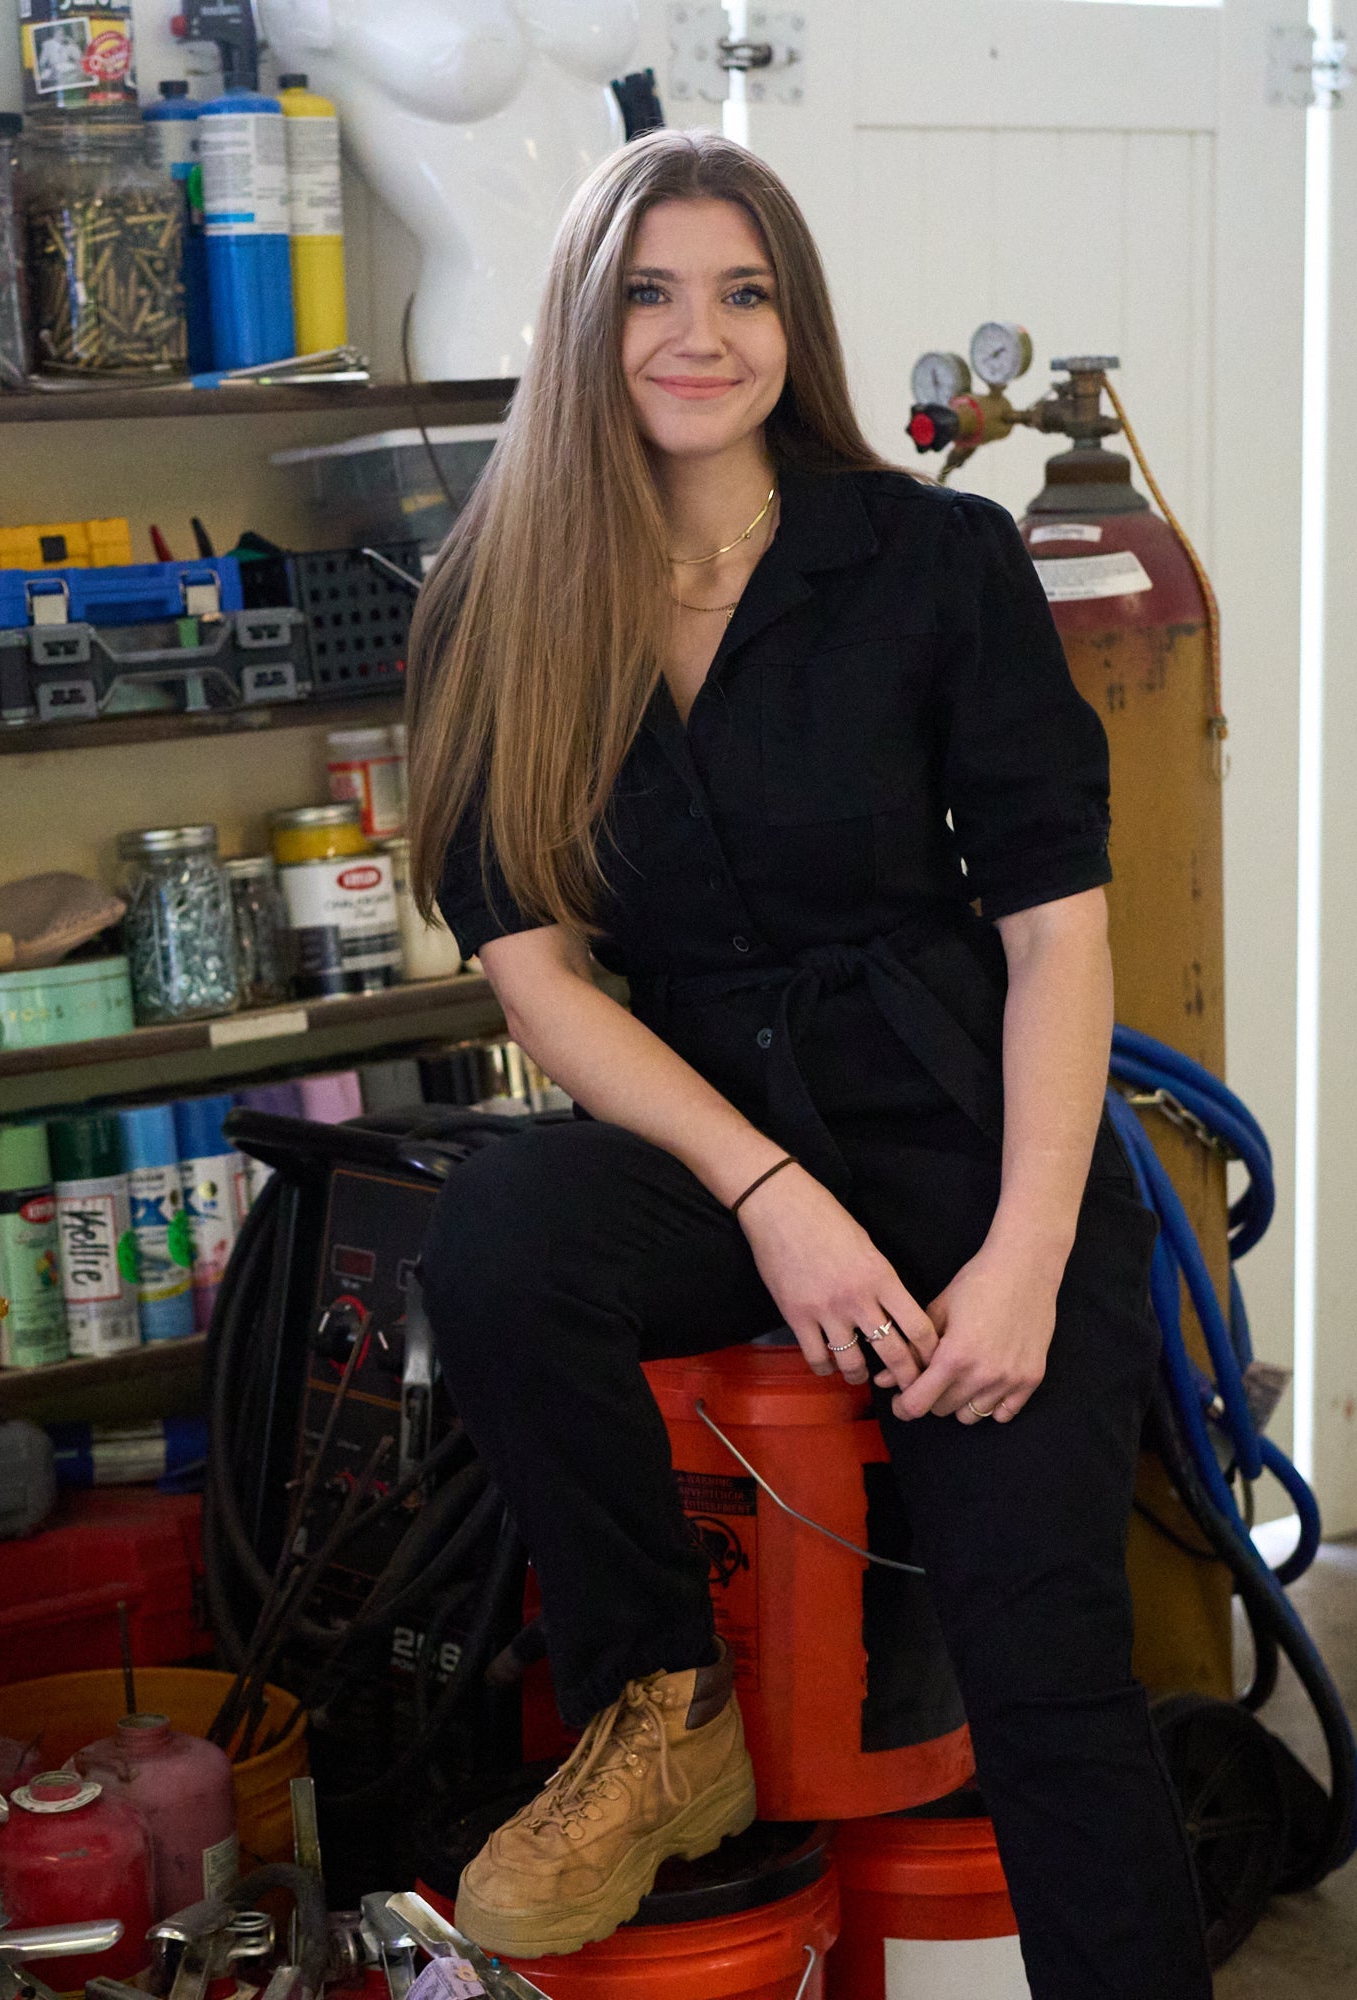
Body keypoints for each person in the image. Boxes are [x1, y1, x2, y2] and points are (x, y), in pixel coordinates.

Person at [406, 130, 1216, 1999]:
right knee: (503, 1227)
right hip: (712, 1131)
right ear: (585, 332)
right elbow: (535, 969)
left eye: (745, 292)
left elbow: (1053, 933)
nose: (703, 335)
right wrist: (770, 1201)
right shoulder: (499, 601)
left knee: (1046, 1680)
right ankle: (660, 1709)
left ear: (798, 325)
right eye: (653, 296)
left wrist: (1019, 1256)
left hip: (960, 1130)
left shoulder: (931, 558)